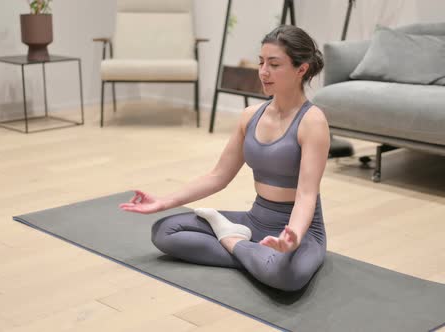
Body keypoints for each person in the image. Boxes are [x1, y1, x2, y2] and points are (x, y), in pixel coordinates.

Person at [120, 25, 330, 292]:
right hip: (255, 221)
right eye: (261, 62)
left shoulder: (313, 122)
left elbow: (306, 195)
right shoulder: (250, 116)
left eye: (274, 64)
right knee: (164, 231)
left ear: (301, 69)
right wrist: (164, 201)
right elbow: (218, 176)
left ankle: (232, 241)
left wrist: (294, 238)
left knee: (287, 277)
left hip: (299, 229)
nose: (263, 72)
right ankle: (254, 255)